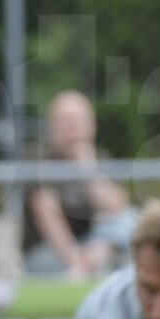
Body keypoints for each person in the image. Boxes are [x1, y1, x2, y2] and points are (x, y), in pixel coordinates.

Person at [22, 90, 134, 279]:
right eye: (65, 120)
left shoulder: (98, 157)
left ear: (92, 125)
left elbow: (117, 209)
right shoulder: (38, 156)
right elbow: (45, 210)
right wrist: (76, 260)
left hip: (90, 244)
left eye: (80, 119)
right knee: (52, 267)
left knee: (130, 222)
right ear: (52, 126)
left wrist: (89, 169)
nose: (73, 126)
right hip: (48, 248)